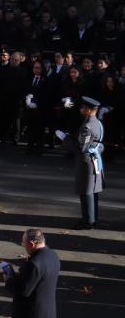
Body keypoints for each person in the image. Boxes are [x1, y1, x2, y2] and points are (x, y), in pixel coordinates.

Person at [3, 229, 61, 318]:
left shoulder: (34, 264)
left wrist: (8, 280)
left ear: (32, 244)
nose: (23, 245)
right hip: (46, 314)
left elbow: (23, 291)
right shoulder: (52, 255)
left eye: (23, 243)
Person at [56, 97, 105, 230]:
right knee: (93, 191)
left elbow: (80, 148)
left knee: (86, 192)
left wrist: (64, 138)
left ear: (89, 111)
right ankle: (93, 218)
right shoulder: (97, 123)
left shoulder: (87, 127)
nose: (81, 109)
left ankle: (88, 221)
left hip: (86, 162)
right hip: (95, 159)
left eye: (83, 108)